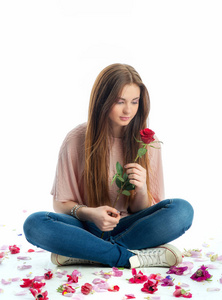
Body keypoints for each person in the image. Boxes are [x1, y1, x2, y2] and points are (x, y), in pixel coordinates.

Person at [23, 63, 194, 269]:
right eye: (120, 101)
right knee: (35, 224)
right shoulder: (76, 140)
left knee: (182, 210)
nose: (128, 110)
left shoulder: (147, 142)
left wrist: (140, 189)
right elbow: (61, 204)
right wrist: (91, 213)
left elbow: (148, 210)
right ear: (103, 101)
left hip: (131, 227)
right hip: (86, 227)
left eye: (134, 101)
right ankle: (129, 257)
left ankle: (86, 252)